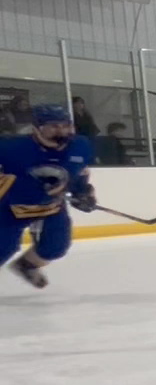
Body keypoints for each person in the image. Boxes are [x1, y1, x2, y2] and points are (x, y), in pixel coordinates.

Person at [1, 104, 98, 289]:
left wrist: (84, 192)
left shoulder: (80, 145)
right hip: (9, 207)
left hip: (51, 207)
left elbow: (79, 173)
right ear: (37, 128)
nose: (61, 131)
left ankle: (26, 266)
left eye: (65, 125)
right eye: (53, 126)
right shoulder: (10, 148)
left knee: (56, 247)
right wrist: (27, 188)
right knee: (3, 248)